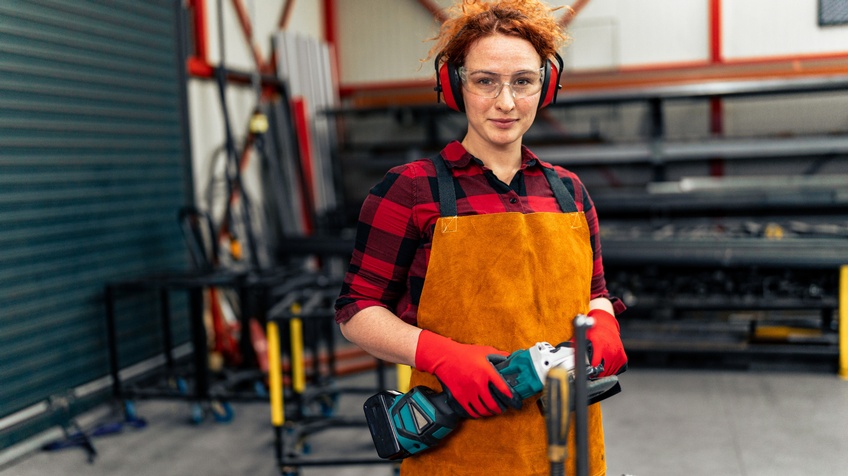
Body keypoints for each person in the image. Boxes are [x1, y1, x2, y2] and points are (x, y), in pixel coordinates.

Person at [334, 1, 626, 474]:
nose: (505, 102)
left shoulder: (569, 191)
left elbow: (595, 293)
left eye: (523, 81)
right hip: (460, 451)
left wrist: (603, 322)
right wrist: (442, 356)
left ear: (546, 85)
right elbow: (356, 310)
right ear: (455, 85)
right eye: (485, 81)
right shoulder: (411, 189)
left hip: (571, 447)